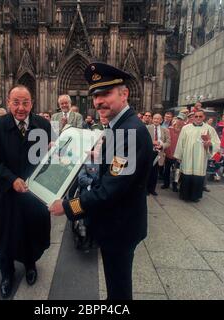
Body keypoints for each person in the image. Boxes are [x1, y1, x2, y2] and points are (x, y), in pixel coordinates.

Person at [49, 62, 154, 300]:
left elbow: (109, 191)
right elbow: (112, 172)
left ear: (124, 94)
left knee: (118, 290)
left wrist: (66, 207)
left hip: (120, 228)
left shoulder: (130, 131)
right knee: (115, 284)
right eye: (95, 95)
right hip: (117, 223)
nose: (98, 102)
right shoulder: (119, 127)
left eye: (105, 93)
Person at [0, 85, 52, 298]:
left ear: (32, 103)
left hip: (35, 194)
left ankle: (30, 265)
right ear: (8, 102)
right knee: (6, 235)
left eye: (25, 102)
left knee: (32, 231)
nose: (21, 108)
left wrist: (54, 155)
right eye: (16, 102)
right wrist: (12, 180)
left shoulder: (42, 125)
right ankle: (7, 274)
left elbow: (45, 160)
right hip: (7, 194)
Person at [174, 110, 220, 202]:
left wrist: (209, 144)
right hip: (187, 156)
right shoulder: (186, 128)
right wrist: (179, 156)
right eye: (196, 116)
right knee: (186, 175)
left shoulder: (209, 129)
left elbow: (217, 143)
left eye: (200, 116)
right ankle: (184, 195)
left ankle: (195, 196)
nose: (198, 118)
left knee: (198, 177)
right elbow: (180, 142)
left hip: (201, 157)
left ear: (204, 117)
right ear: (193, 117)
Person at [146, 113, 170, 196]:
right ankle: (146, 189)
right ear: (152, 119)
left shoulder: (165, 130)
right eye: (154, 118)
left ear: (161, 120)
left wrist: (162, 145)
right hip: (149, 153)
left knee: (155, 172)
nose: (156, 120)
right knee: (147, 171)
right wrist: (152, 142)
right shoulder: (147, 128)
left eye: (158, 119)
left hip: (159, 153)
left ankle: (152, 189)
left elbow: (168, 142)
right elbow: (144, 139)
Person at [162, 113, 185, 192]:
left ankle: (175, 186)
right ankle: (166, 184)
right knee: (167, 170)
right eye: (178, 119)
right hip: (168, 153)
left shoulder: (184, 131)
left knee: (177, 171)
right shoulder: (169, 129)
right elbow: (165, 140)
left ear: (183, 121)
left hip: (178, 155)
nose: (179, 121)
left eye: (181, 119)